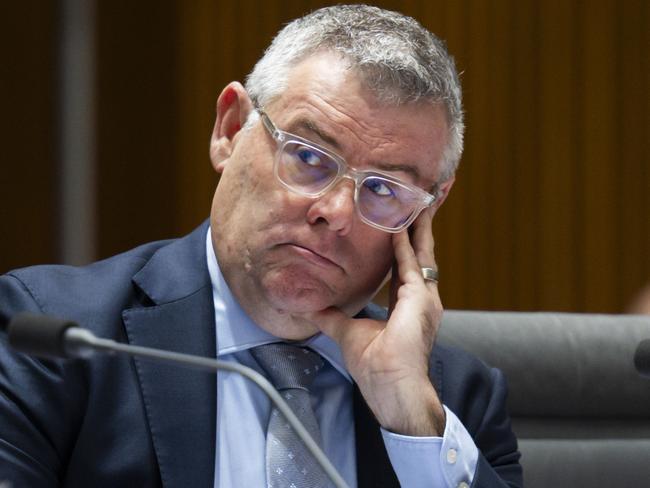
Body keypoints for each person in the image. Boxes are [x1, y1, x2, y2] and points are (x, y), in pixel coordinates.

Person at [0, 5, 522, 487]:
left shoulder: (453, 403)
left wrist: (411, 415)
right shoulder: (58, 339)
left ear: (426, 212)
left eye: (383, 189)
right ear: (229, 129)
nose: (335, 213)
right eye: (310, 157)